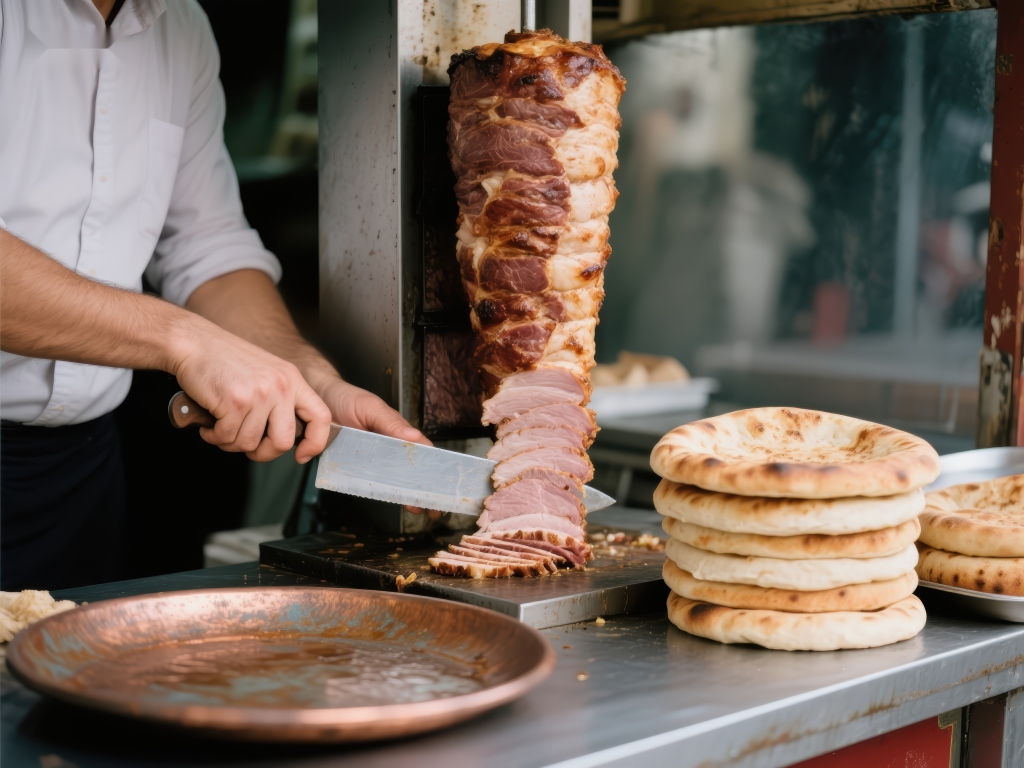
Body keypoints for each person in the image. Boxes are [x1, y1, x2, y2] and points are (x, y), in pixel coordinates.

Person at [0, 0, 430, 590]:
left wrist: (308, 378)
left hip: (78, 477)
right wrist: (186, 341)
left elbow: (208, 250)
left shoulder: (181, 27)